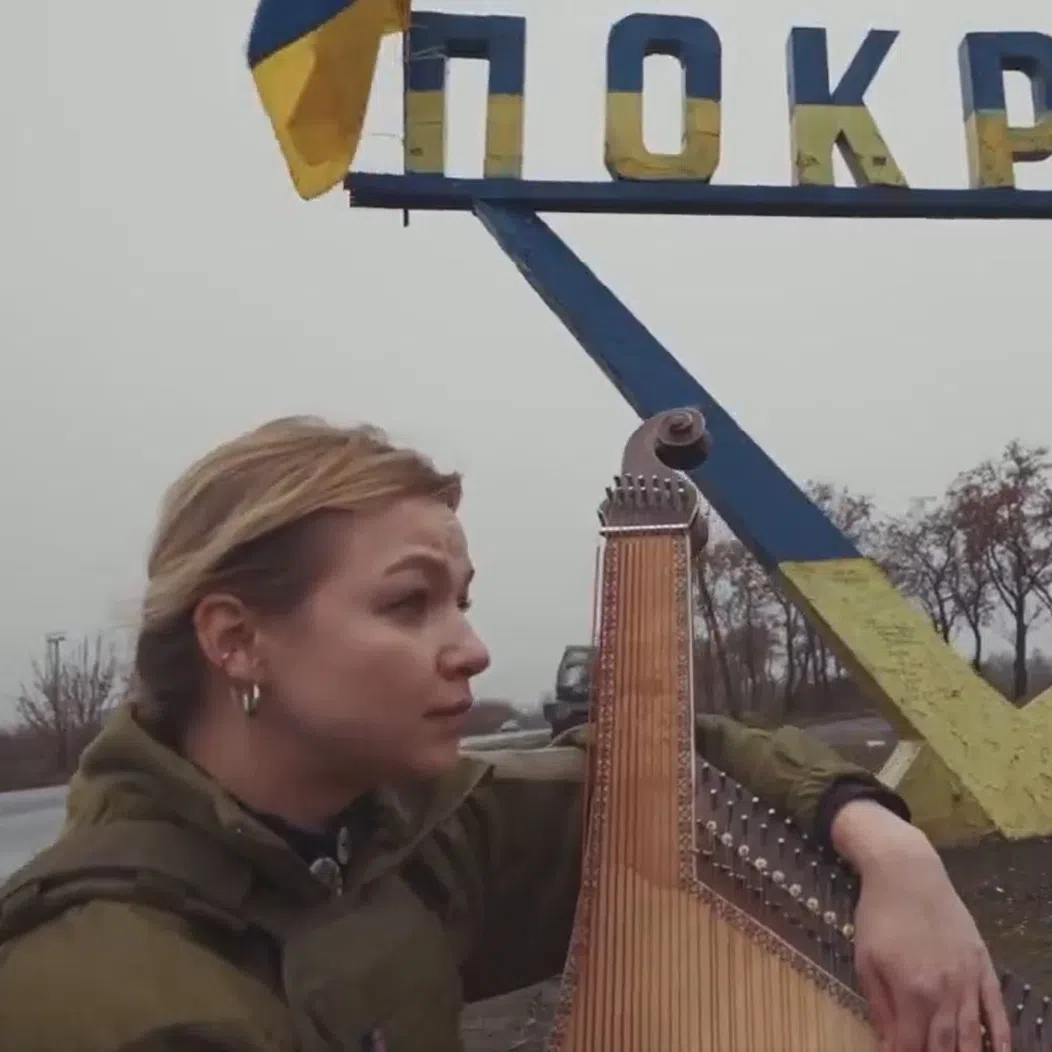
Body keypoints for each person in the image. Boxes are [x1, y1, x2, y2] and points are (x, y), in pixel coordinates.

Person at [0, 416, 1009, 1052]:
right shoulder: (99, 991)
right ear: (236, 639)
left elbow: (662, 764)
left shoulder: (398, 843)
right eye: (409, 606)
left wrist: (891, 848)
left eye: (462, 602)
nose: (472, 651)